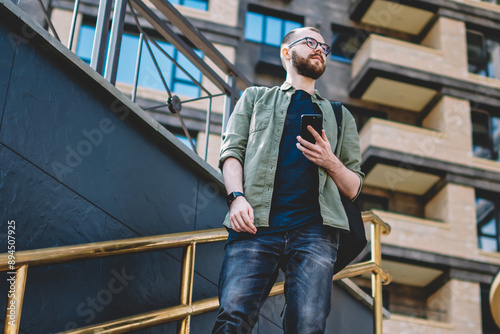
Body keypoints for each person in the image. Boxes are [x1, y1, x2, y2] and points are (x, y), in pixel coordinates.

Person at [212, 27, 364, 334]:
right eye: (310, 42)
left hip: (315, 233)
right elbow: (231, 153)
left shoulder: (340, 116)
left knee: (307, 326)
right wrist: (236, 197)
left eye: (324, 46)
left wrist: (330, 161)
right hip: (255, 226)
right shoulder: (254, 98)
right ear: (286, 52)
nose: (320, 48)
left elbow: (354, 186)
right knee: (233, 318)